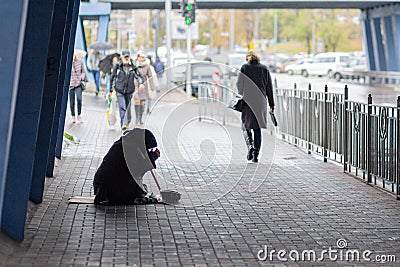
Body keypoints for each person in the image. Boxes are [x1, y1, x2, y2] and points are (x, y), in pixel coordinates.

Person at [93, 128, 160, 205]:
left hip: (102, 184)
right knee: (138, 191)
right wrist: (152, 157)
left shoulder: (125, 143)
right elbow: (137, 171)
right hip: (109, 187)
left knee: (141, 188)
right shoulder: (131, 148)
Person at [236, 51, 275, 163]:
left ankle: (250, 146)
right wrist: (271, 104)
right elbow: (269, 88)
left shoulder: (244, 67)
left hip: (248, 101)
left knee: (246, 125)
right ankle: (256, 155)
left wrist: (243, 92)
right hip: (261, 102)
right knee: (257, 128)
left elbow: (239, 85)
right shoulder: (264, 69)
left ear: (248, 58)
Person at [110, 50, 144, 131]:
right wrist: (110, 90)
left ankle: (127, 121)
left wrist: (141, 83)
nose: (126, 58)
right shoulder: (118, 65)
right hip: (119, 90)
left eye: (127, 56)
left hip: (129, 90)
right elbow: (112, 77)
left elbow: (138, 75)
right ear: (122, 57)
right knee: (122, 107)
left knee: (128, 108)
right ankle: (123, 123)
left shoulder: (133, 66)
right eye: (125, 56)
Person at [135, 51, 154, 123]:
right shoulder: (134, 65)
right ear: (137, 58)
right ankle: (137, 118)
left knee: (142, 102)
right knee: (137, 101)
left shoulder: (147, 66)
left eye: (143, 57)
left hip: (144, 86)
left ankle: (140, 117)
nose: (141, 59)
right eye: (140, 57)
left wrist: (152, 86)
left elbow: (150, 76)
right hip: (135, 86)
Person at [69, 53, 86, 123]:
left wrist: (81, 77)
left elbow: (83, 71)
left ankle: (79, 115)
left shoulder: (80, 62)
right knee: (72, 102)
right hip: (71, 84)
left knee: (79, 99)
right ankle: (73, 116)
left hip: (78, 84)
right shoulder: (69, 62)